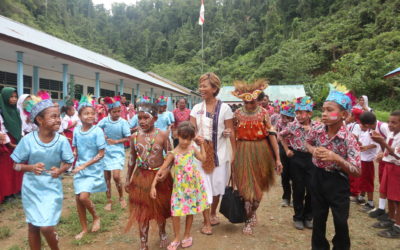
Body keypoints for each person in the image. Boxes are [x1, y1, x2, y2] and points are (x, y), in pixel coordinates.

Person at [10, 94, 74, 250]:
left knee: (46, 227)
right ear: (39, 120)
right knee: (33, 226)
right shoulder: (28, 141)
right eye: (53, 116)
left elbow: (68, 162)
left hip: (52, 187)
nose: (58, 120)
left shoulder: (61, 141)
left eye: (59, 116)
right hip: (31, 188)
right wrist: (30, 167)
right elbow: (15, 165)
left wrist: (59, 170)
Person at [306, 90, 361, 250]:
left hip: (338, 182)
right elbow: (307, 143)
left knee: (340, 221)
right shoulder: (317, 130)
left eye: (330, 110)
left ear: (343, 114)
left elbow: (357, 171)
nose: (324, 114)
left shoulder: (349, 139)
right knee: (318, 218)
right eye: (323, 110)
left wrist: (336, 157)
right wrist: (313, 151)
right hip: (317, 178)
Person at [231, 80, 282, 234]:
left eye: (252, 102)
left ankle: (253, 212)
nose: (249, 106)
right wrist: (233, 154)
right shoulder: (237, 114)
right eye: (246, 102)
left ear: (257, 100)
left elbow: (272, 135)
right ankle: (248, 219)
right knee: (244, 187)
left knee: (259, 187)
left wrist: (278, 158)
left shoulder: (264, 113)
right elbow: (232, 134)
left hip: (261, 151)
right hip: (243, 150)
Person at [190, 72, 236, 235]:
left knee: (217, 187)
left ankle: (213, 212)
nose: (201, 89)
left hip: (220, 154)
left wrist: (234, 154)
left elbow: (231, 131)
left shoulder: (225, 108)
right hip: (202, 154)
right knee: (203, 187)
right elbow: (192, 130)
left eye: (204, 86)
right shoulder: (196, 108)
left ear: (214, 88)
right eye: (200, 85)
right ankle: (206, 221)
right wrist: (195, 137)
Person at [151, 121, 208, 249]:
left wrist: (202, 145)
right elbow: (161, 169)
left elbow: (203, 159)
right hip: (179, 189)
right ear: (177, 136)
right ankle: (177, 237)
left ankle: (187, 235)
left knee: (190, 211)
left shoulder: (192, 149)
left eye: (189, 139)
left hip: (193, 186)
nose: (186, 142)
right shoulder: (173, 153)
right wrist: (153, 185)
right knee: (176, 212)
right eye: (183, 138)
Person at [125, 97, 172, 250]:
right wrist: (128, 179)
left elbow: (171, 157)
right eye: (139, 118)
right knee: (141, 209)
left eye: (146, 117)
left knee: (160, 207)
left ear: (155, 118)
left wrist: (166, 172)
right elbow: (132, 159)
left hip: (159, 178)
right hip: (140, 177)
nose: (142, 121)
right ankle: (143, 242)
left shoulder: (163, 135)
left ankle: (162, 231)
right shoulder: (134, 137)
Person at [279, 96, 319, 230]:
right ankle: (298, 217)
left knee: (313, 189)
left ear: (310, 113)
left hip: (312, 160)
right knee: (298, 189)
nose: (299, 115)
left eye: (302, 112)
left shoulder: (318, 127)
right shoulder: (292, 126)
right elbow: (280, 135)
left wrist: (312, 132)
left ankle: (308, 216)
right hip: (297, 159)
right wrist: (286, 150)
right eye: (297, 112)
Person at [71, 96, 107, 240]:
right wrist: (74, 154)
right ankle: (84, 229)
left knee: (84, 197)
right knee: (78, 199)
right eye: (86, 113)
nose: (90, 116)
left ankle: (96, 217)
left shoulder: (97, 131)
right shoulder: (76, 130)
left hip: (93, 169)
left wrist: (84, 165)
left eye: (92, 113)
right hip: (80, 168)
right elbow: (76, 148)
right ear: (79, 116)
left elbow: (101, 153)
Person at [98, 96, 131, 211]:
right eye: (114, 112)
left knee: (116, 176)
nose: (117, 114)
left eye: (119, 111)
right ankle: (109, 200)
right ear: (109, 111)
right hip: (106, 150)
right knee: (107, 177)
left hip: (117, 151)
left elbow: (128, 138)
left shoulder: (123, 122)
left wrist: (116, 141)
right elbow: (96, 130)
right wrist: (103, 135)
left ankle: (121, 197)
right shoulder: (105, 121)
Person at [371, 110, 400, 238]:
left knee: (398, 199)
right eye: (389, 122)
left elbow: (396, 154)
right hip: (389, 166)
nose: (390, 124)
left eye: (394, 122)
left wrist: (382, 142)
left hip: (397, 169)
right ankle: (391, 219)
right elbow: (389, 150)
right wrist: (383, 152)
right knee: (389, 195)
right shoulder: (392, 133)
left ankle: (398, 227)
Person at [359, 111, 390, 220]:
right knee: (383, 182)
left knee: (389, 185)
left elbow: (393, 141)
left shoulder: (383, 127)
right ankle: (381, 208)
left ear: (366, 124)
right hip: (383, 159)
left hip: (390, 159)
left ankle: (391, 213)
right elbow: (378, 143)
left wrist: (385, 152)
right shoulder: (372, 129)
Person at [0, 87, 23, 202]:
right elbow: (2, 129)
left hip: (17, 139)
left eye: (15, 96)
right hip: (7, 143)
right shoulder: (1, 110)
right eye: (11, 97)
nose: (14, 99)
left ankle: (17, 189)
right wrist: (9, 143)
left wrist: (21, 137)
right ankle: (8, 193)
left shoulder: (16, 110)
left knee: (18, 165)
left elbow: (20, 124)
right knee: (7, 168)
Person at [276, 101, 296, 207]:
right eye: (283, 116)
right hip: (283, 150)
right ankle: (286, 197)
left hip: (294, 150)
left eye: (288, 117)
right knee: (284, 175)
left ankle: (295, 198)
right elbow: (277, 135)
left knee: (295, 176)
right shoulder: (279, 122)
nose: (285, 119)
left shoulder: (297, 123)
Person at [358, 123, 379, 213]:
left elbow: (375, 144)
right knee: (363, 180)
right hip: (362, 159)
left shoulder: (372, 133)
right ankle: (361, 197)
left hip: (368, 160)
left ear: (367, 124)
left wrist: (366, 147)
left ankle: (370, 203)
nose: (359, 125)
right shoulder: (364, 132)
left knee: (368, 181)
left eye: (361, 124)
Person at [345, 108, 363, 203]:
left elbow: (355, 137)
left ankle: (355, 193)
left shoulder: (356, 126)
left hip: (353, 150)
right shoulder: (352, 124)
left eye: (350, 115)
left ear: (353, 116)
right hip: (350, 150)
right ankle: (351, 191)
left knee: (353, 172)